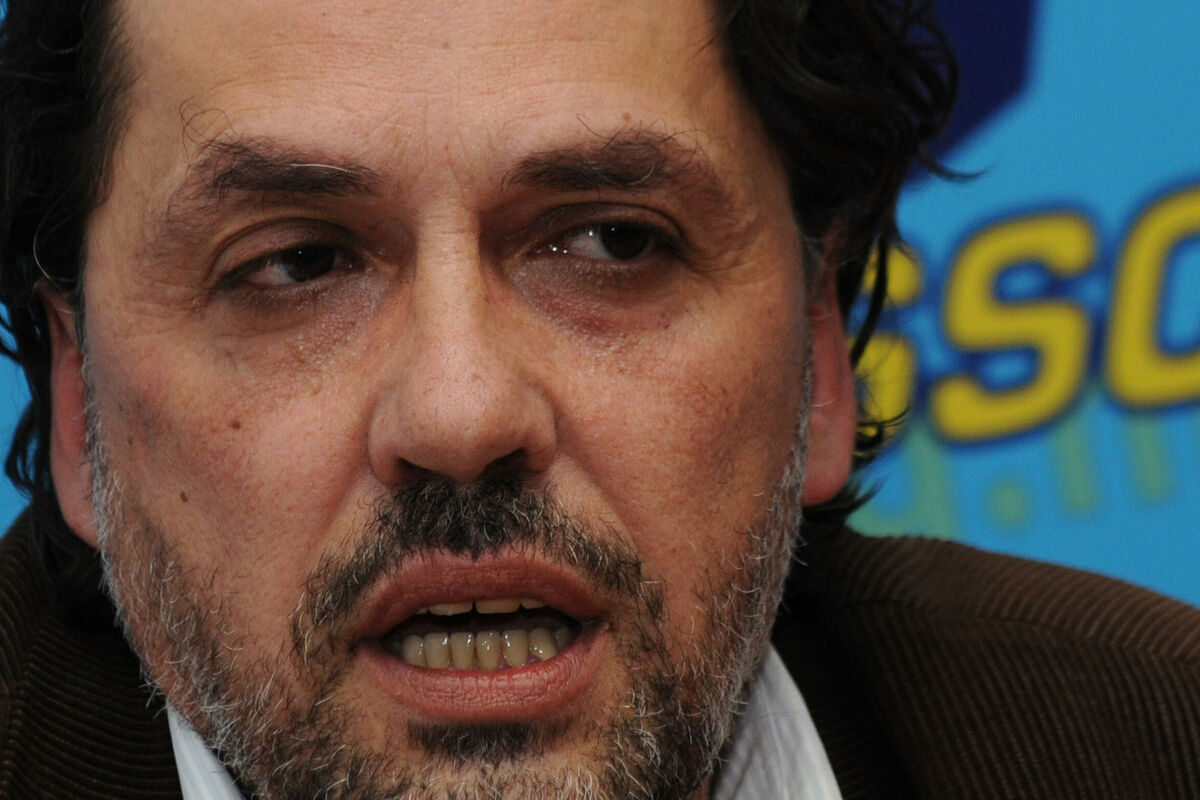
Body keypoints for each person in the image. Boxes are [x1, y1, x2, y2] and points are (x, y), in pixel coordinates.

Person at [0, 0, 1197, 798]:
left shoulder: (1157, 740)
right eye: (295, 263)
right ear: (80, 395)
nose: (461, 413)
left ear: (819, 354)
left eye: (614, 241)